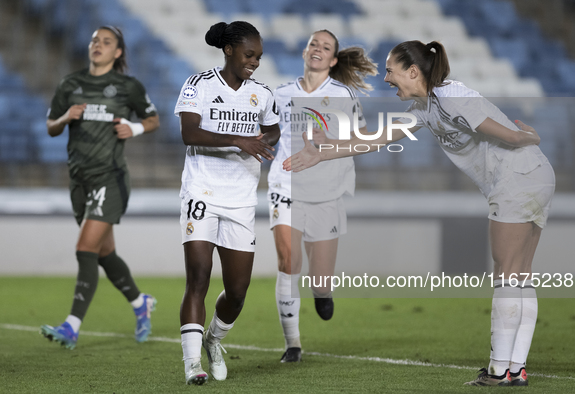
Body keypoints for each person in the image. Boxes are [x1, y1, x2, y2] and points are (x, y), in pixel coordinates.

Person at [285, 40, 554, 387]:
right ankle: (513, 370)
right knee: (519, 275)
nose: (385, 78)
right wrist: (325, 151)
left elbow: (501, 133)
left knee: (506, 272)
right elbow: (377, 138)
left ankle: (500, 371)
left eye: (389, 70)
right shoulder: (427, 108)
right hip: (531, 175)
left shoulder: (451, 96)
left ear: (413, 71)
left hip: (517, 178)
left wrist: (522, 138)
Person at [40, 26, 160, 349]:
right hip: (79, 179)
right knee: (105, 254)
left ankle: (71, 326)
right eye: (94, 40)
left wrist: (133, 128)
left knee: (85, 249)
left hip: (111, 178)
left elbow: (153, 120)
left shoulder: (127, 87)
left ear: (118, 52)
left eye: (106, 42)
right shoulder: (70, 84)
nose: (98, 45)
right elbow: (50, 126)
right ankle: (140, 303)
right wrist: (65, 117)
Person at [174, 21, 280, 385]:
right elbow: (189, 133)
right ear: (230, 50)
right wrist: (240, 140)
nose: (255, 62)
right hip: (201, 191)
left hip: (240, 199)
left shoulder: (262, 94)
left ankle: (213, 341)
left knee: (237, 291)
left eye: (259, 57)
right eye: (250, 55)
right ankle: (192, 364)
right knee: (199, 275)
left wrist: (265, 137)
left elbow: (274, 127)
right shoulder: (199, 84)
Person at [268, 30, 377, 363]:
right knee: (288, 264)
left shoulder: (343, 95)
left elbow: (361, 142)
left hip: (327, 193)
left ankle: (322, 293)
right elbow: (264, 132)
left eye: (325, 47)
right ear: (305, 51)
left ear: (332, 60)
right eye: (314, 43)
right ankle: (293, 344)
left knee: (320, 279)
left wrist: (326, 139)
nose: (317, 49)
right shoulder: (280, 93)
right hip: (285, 187)